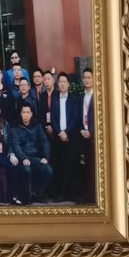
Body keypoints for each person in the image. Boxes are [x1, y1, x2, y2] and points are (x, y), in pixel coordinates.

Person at [13, 103, 53, 204]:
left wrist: (46, 157)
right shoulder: (15, 127)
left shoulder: (37, 125)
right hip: (23, 158)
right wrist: (23, 158)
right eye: (24, 112)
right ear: (21, 114)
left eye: (28, 112)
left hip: (35, 157)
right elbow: (16, 145)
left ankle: (38, 194)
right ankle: (28, 196)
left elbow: (44, 141)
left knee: (48, 170)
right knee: (27, 170)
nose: (26, 115)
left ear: (31, 114)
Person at [51, 72, 80, 202]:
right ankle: (60, 194)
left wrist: (66, 132)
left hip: (70, 137)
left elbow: (75, 118)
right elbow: (53, 118)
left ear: (68, 84)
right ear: (58, 84)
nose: (62, 84)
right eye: (60, 82)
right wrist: (59, 132)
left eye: (64, 82)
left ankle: (71, 193)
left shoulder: (74, 99)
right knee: (59, 165)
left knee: (71, 165)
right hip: (58, 137)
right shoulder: (55, 99)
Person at [78, 67, 95, 203]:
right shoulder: (81, 97)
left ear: (94, 79)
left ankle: (95, 195)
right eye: (85, 78)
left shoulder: (98, 96)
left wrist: (92, 132)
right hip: (83, 136)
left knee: (94, 167)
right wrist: (81, 130)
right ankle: (87, 195)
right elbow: (79, 117)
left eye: (89, 77)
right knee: (86, 167)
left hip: (94, 138)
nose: (87, 80)